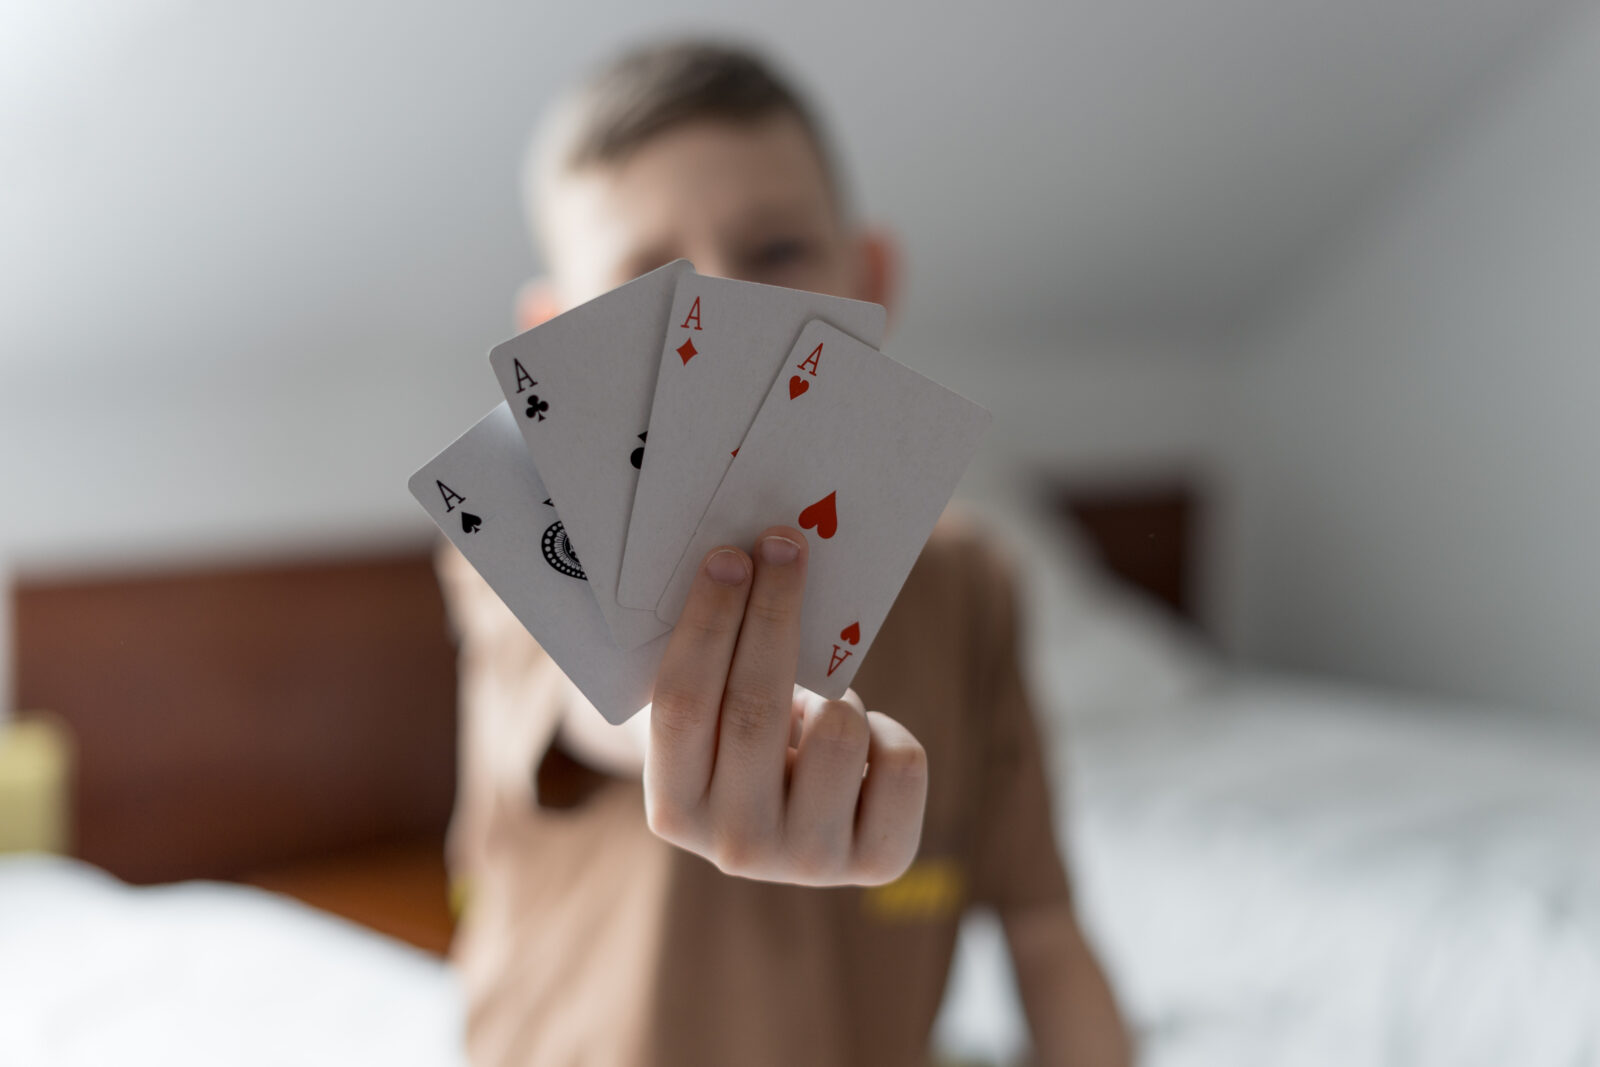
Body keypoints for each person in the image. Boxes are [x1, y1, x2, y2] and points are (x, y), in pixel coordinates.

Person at [437, 39, 1131, 1067]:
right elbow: (601, 709)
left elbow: (1043, 927)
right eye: (651, 281)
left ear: (871, 279)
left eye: (776, 251)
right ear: (556, 338)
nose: (724, 315)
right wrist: (722, 724)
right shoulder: (524, 542)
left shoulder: (970, 577)